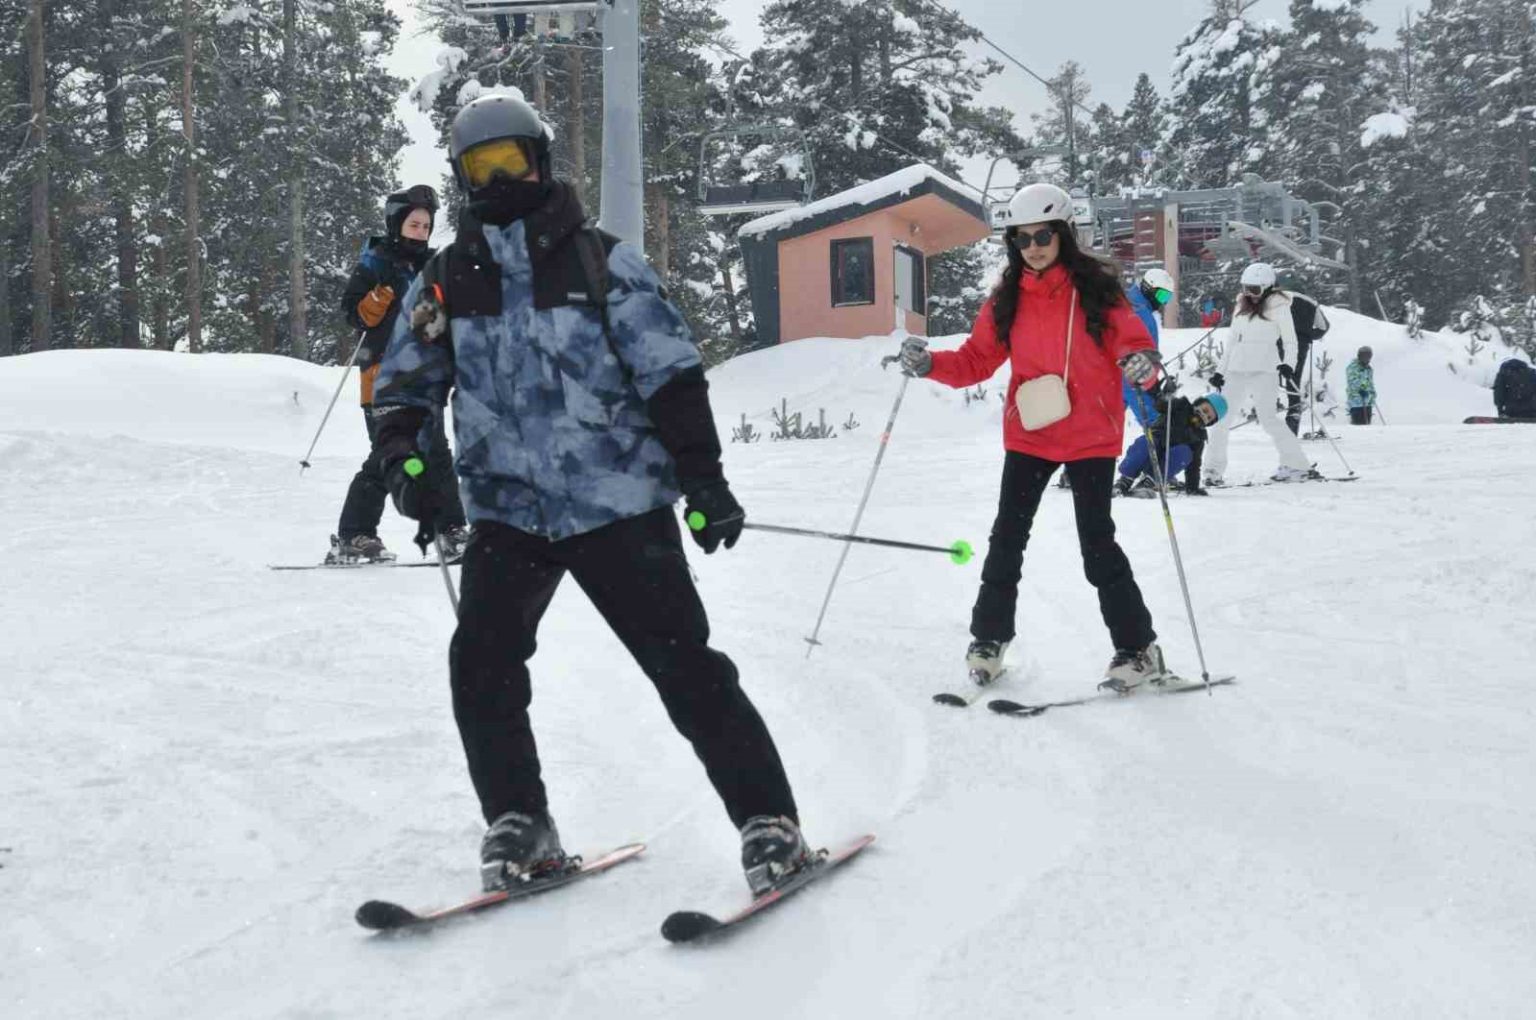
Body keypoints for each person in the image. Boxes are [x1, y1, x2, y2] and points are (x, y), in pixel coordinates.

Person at [369, 93, 807, 897]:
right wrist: (409, 464)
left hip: (618, 502)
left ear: (540, 160)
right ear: (463, 178)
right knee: (481, 665)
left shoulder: (602, 262)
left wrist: (702, 476)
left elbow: (671, 376)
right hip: (510, 510)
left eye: (512, 162)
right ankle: (521, 822)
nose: (501, 181)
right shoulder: (449, 279)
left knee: (685, 667)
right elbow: (403, 387)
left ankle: (768, 819)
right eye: (481, 169)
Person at [898, 182, 1171, 690]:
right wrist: (930, 364)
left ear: (1064, 233)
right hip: (1032, 431)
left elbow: (1132, 343)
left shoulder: (1098, 292)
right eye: (1022, 238)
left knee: (1097, 545)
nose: (1034, 247)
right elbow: (977, 359)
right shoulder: (1008, 298)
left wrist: (1143, 364)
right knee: (1007, 538)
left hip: (1090, 433)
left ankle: (1138, 648)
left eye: (1043, 235)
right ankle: (989, 639)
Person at [329, 185, 468, 564]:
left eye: (426, 226)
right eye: (413, 224)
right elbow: (354, 315)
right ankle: (354, 534)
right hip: (382, 376)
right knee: (389, 454)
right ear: (396, 224)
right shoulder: (376, 263)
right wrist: (379, 297)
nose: (420, 232)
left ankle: (452, 531)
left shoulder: (433, 266)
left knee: (436, 455)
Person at [1203, 263, 1317, 484]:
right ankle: (1212, 471)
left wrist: (1288, 364)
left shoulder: (1279, 306)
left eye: (1254, 290)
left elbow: (1290, 341)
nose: (1249, 294)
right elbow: (1232, 341)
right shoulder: (1241, 306)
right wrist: (1220, 371)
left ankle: (1297, 465)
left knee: (1268, 419)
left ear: (1267, 287)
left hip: (1265, 369)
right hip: (1236, 369)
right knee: (1221, 420)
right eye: (1246, 288)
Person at [1116, 390, 1228, 497]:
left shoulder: (1198, 438)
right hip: (1151, 448)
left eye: (1209, 418)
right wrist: (1166, 398)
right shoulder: (1180, 406)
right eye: (1205, 410)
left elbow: (1193, 466)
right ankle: (1125, 480)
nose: (1204, 415)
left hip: (1165, 465)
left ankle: (1148, 483)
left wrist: (1193, 487)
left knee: (1185, 453)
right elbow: (1160, 405)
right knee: (1146, 442)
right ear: (1199, 402)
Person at [1283, 290, 1330, 435]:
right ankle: (1293, 413)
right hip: (1300, 346)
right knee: (1293, 381)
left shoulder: (1278, 298)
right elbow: (1323, 327)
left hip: (1279, 343)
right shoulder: (1311, 302)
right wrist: (1309, 335)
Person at [1345, 346, 1377, 424]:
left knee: (1367, 425)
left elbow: (1370, 383)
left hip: (1368, 401)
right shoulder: (1353, 367)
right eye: (1364, 356)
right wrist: (1360, 389)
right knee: (1359, 426)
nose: (1367, 359)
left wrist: (1372, 393)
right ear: (1359, 356)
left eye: (1368, 356)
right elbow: (1352, 382)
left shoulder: (1369, 369)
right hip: (1356, 402)